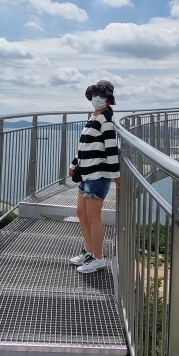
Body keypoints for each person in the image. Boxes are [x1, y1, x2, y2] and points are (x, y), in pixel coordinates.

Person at [67, 80, 121, 274]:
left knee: (93, 217)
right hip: (87, 173)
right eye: (94, 95)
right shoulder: (93, 117)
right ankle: (90, 251)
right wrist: (75, 164)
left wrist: (116, 175)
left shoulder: (105, 121)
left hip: (98, 174)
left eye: (102, 96)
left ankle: (99, 258)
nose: (97, 99)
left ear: (109, 99)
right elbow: (84, 146)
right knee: (82, 214)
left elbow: (111, 149)